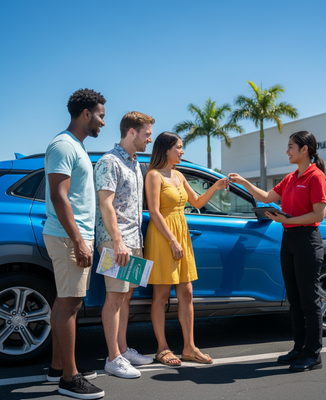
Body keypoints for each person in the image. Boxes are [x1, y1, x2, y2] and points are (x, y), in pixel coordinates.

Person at [229, 130, 326, 373]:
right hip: (289, 240)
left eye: (291, 147)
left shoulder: (316, 177)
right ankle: (299, 348)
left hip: (307, 240)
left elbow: (319, 214)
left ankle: (313, 354)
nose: (287, 151)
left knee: (309, 301)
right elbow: (266, 196)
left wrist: (287, 219)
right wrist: (243, 182)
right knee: (294, 300)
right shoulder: (292, 177)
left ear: (304, 150)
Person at [43, 89, 106, 399]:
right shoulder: (63, 145)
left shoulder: (76, 146)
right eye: (101, 116)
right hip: (69, 236)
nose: (102, 123)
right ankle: (69, 378)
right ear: (86, 114)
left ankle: (58, 366)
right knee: (71, 304)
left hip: (72, 235)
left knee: (63, 300)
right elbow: (59, 196)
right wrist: (79, 240)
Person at [144, 131, 227, 366]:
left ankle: (189, 348)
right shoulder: (154, 175)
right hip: (163, 236)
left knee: (187, 293)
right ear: (166, 149)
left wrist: (216, 186)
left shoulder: (179, 175)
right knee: (160, 295)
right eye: (178, 147)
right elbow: (154, 211)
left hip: (180, 233)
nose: (182, 152)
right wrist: (172, 240)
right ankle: (162, 348)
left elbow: (198, 202)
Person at [94, 111, 155, 378]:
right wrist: (117, 242)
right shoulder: (110, 161)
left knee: (126, 295)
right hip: (115, 240)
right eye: (147, 134)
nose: (149, 139)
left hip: (133, 239)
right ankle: (113, 358)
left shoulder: (134, 162)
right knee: (115, 296)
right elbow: (105, 203)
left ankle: (123, 348)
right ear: (132, 132)